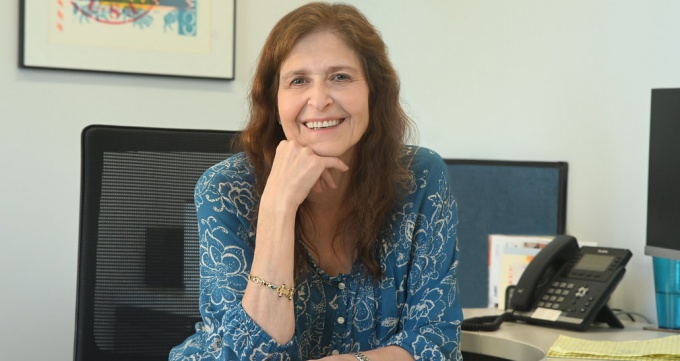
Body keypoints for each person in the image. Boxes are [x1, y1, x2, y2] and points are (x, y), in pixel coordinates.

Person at [169, 2, 463, 360]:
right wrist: (279, 207)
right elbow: (252, 357)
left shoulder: (420, 178)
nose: (320, 100)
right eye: (298, 81)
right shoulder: (226, 190)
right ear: (274, 101)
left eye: (340, 77)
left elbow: (437, 346)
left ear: (374, 90)